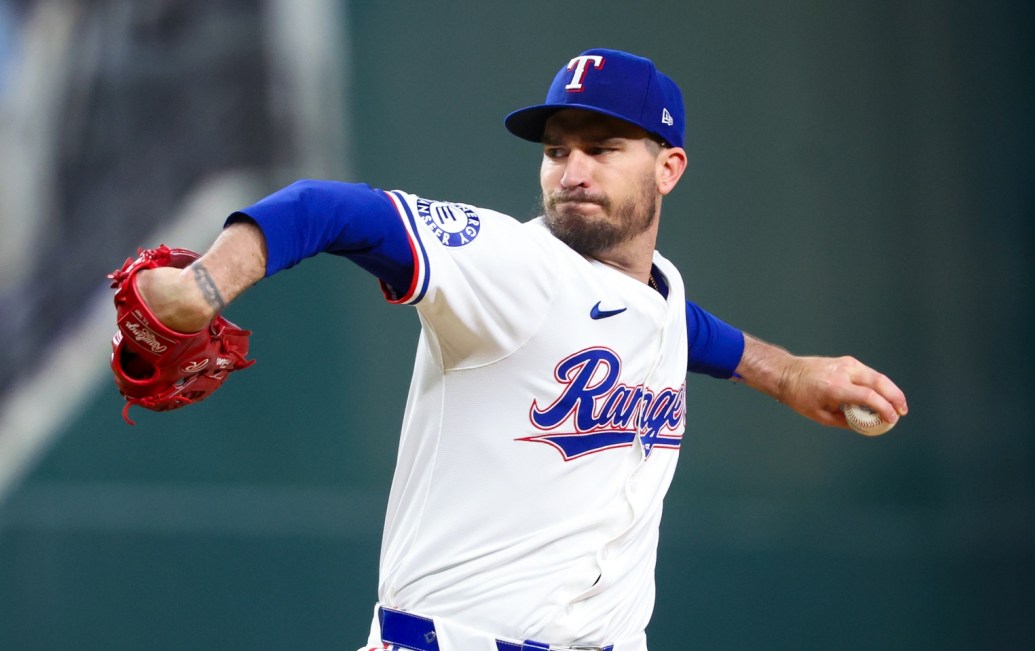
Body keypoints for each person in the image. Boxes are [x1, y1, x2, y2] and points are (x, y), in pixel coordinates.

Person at [129, 49, 907, 651]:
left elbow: (680, 329)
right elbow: (328, 208)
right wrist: (203, 285)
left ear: (669, 167)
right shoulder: (509, 266)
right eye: (557, 149)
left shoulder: (656, 293)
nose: (571, 171)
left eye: (601, 148)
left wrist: (789, 373)